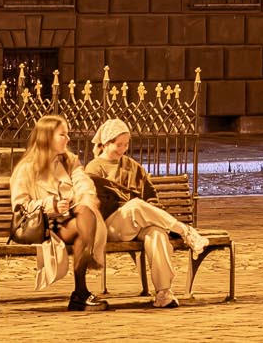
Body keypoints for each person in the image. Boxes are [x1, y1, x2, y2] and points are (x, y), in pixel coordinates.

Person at [85, 117, 216, 309]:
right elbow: (98, 203)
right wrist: (126, 201)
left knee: (156, 233)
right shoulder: (94, 168)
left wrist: (151, 211)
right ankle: (185, 231)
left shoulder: (133, 167)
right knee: (136, 206)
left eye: (126, 144)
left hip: (137, 222)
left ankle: (164, 292)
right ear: (106, 143)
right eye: (119, 145)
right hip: (110, 226)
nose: (123, 149)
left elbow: (151, 197)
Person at [9, 114, 108, 310]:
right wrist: (51, 205)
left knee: (86, 213)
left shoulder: (69, 161)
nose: (68, 139)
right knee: (85, 221)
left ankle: (81, 293)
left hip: (72, 221)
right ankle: (81, 291)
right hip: (45, 227)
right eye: (62, 134)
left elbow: (83, 183)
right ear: (47, 137)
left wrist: (84, 198)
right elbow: (20, 207)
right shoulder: (27, 168)